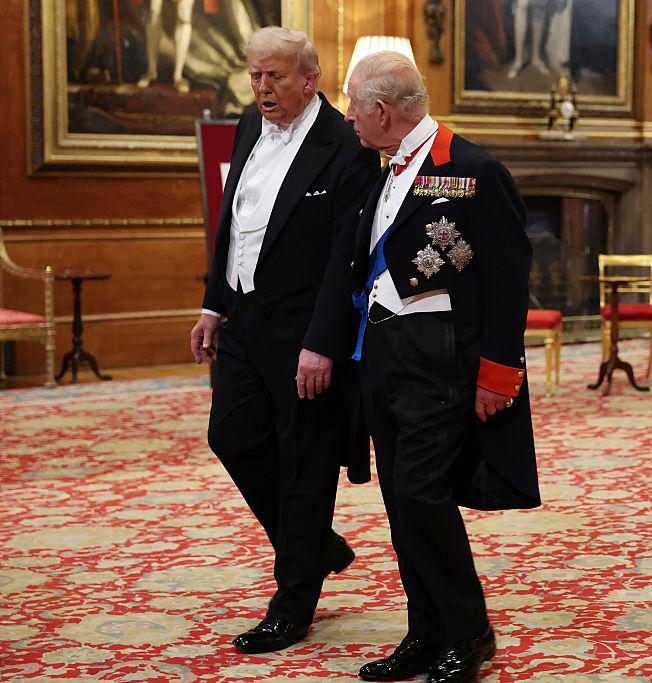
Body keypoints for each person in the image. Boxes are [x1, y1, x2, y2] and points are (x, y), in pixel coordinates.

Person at [344, 51, 540, 683]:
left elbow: (508, 279)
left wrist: (499, 372)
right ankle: (426, 633)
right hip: (383, 352)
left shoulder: (474, 170)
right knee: (401, 499)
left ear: (381, 110)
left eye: (353, 105)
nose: (347, 116)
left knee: (422, 493)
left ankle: (469, 632)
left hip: (441, 356)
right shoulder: (383, 169)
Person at [188, 27, 380, 652]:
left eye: (275, 76)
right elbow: (232, 222)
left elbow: (345, 259)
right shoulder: (249, 125)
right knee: (231, 436)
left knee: (304, 465)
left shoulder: (345, 146)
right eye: (255, 76)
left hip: (304, 334)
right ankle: (315, 545)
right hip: (244, 319)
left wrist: (322, 343)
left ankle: (293, 603)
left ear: (309, 79)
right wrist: (213, 305)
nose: (262, 88)